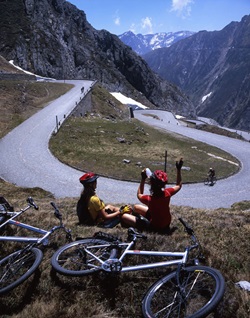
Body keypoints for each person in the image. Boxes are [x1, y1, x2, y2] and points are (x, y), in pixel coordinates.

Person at [122, 158, 183, 232]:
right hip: (166, 224)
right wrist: (178, 169)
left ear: (151, 183)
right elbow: (179, 185)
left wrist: (143, 179)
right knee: (136, 207)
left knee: (124, 216)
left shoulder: (149, 199)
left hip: (155, 227)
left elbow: (139, 194)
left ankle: (142, 225)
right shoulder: (167, 193)